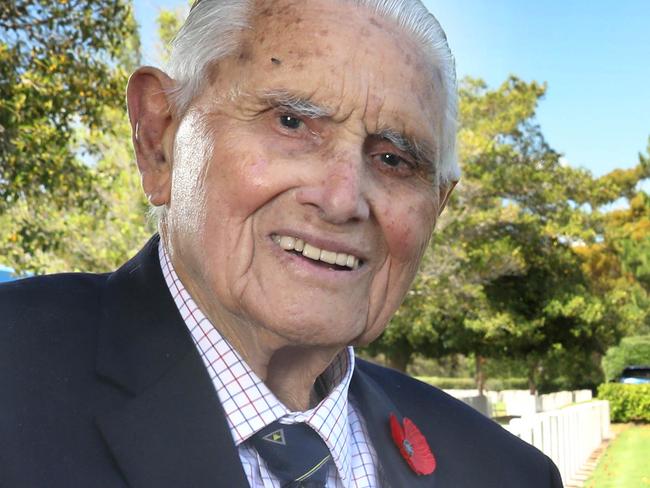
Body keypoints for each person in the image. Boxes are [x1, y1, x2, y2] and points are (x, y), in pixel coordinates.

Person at [0, 0, 563, 486]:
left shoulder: (509, 474)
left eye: (394, 160)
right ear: (159, 140)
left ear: (435, 207)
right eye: (291, 123)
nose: (343, 199)